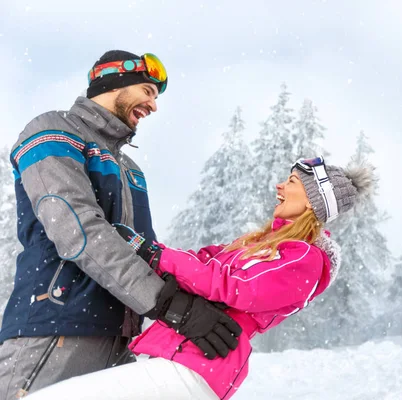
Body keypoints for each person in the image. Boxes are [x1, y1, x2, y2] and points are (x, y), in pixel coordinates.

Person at [26, 156, 376, 400]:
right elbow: (203, 261)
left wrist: (158, 256)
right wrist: (145, 248)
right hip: (178, 355)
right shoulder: (260, 244)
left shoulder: (304, 259)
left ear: (315, 202)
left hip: (199, 365)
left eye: (293, 182)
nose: (280, 186)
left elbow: (233, 288)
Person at [0, 50, 240, 400]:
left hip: (120, 339)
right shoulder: (53, 131)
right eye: (147, 91)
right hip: (58, 330)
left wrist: (196, 298)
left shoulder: (130, 170)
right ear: (115, 83)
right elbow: (79, 231)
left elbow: (147, 250)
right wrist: (166, 305)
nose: (153, 106)